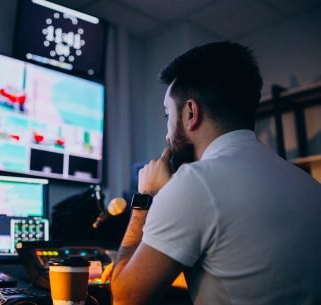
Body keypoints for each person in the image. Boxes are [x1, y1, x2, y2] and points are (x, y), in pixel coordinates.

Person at [108, 42, 321, 305]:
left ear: (190, 113)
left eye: (167, 115)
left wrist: (144, 199)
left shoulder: (194, 183)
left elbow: (123, 298)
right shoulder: (309, 184)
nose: (166, 133)